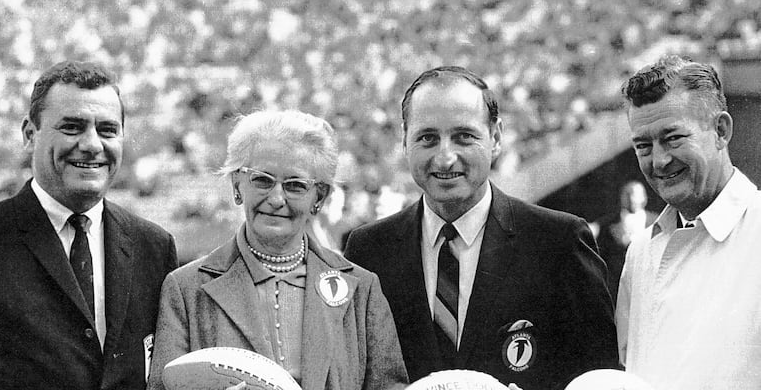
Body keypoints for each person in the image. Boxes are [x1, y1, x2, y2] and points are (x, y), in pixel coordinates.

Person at [344, 66, 619, 390]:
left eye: (464, 137)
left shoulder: (558, 242)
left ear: (496, 138)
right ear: (405, 140)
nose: (445, 158)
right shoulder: (370, 249)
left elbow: (599, 379)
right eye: (428, 138)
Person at [147, 109, 408, 390]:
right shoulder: (186, 289)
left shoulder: (362, 290)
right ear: (237, 186)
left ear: (318, 198)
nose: (276, 198)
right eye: (262, 180)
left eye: (295, 186)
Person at [0, 61, 178, 390]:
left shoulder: (154, 246)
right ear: (29, 134)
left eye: (107, 130)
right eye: (72, 127)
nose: (93, 144)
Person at [616, 55, 761, 390]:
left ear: (721, 131)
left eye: (673, 138)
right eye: (643, 146)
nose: (660, 161)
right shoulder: (641, 253)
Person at [593, 181, 656, 305]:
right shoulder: (607, 225)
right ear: (622, 197)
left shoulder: (657, 222)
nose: (632, 198)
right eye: (628, 194)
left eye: (636, 194)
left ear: (644, 197)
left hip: (649, 291)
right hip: (617, 292)